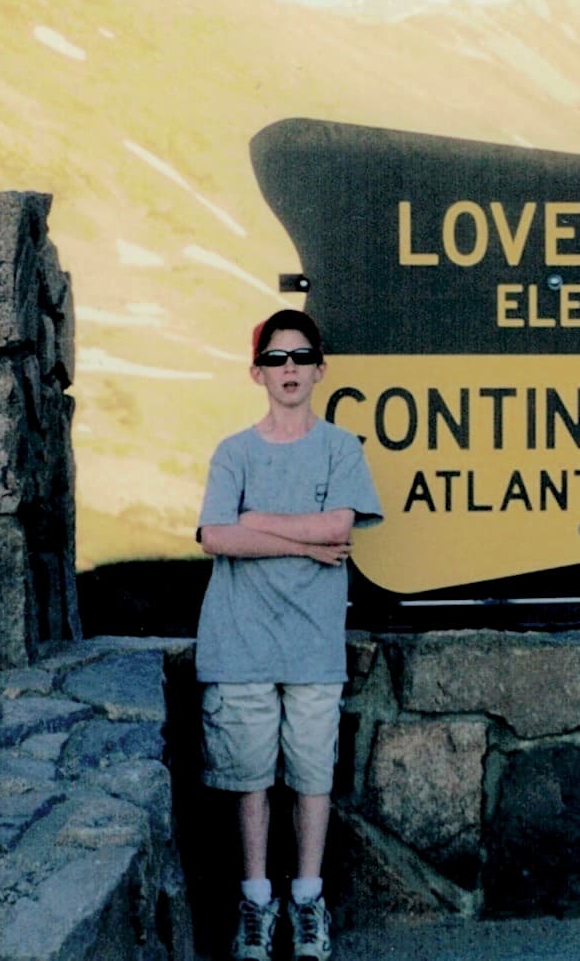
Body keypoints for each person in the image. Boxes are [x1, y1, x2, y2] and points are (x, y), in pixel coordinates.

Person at [196, 309, 383, 961]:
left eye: (301, 357)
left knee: (310, 774)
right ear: (257, 372)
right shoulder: (234, 451)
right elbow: (216, 536)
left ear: (320, 369)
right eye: (276, 359)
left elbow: (339, 528)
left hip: (312, 644)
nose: (289, 369)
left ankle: (307, 902)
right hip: (239, 640)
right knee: (249, 777)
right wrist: (302, 539)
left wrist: (259, 523)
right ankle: (256, 902)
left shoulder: (340, 448)